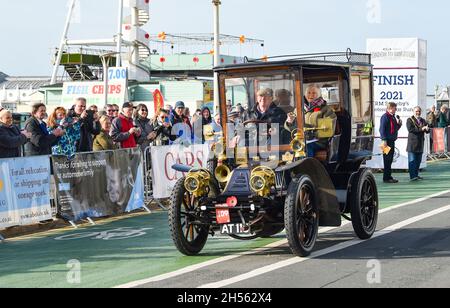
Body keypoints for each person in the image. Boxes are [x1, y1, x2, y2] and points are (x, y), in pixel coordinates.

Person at [285, 84, 336, 158]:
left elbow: (328, 128)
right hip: (301, 139)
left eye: (314, 93)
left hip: (319, 141)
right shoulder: (298, 109)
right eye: (308, 93)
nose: (311, 95)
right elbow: (292, 128)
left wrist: (312, 135)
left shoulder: (326, 109)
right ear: (305, 94)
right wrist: (289, 122)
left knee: (306, 148)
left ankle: (308, 168)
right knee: (289, 148)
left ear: (319, 95)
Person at [380, 102, 402, 184]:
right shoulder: (385, 117)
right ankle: (386, 178)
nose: (396, 109)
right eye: (394, 108)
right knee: (387, 159)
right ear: (390, 108)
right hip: (385, 141)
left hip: (391, 141)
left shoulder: (392, 117)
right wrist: (384, 140)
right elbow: (382, 129)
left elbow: (394, 129)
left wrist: (399, 125)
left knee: (389, 160)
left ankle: (388, 176)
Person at [406, 106, 430, 181]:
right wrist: (421, 129)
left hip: (420, 143)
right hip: (412, 144)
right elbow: (410, 129)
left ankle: (416, 175)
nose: (418, 113)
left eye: (419, 111)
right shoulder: (409, 120)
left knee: (418, 161)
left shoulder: (423, 120)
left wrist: (427, 129)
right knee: (412, 161)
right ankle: (412, 176)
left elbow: (427, 130)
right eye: (416, 111)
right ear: (413, 111)